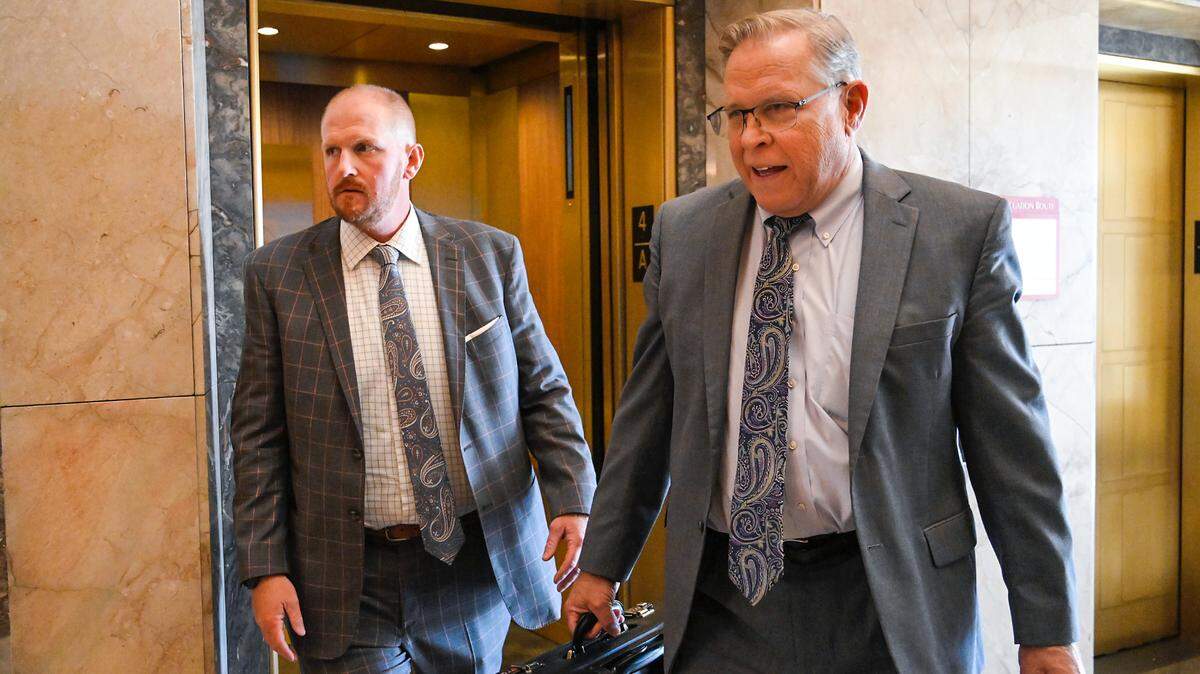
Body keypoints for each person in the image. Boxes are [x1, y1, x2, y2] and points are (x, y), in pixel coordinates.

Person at [564, 9, 1083, 674]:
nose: (751, 139)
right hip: (726, 600)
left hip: (888, 597)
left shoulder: (956, 233)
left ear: (852, 104)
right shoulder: (686, 233)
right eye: (736, 114)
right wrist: (603, 564)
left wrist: (1047, 629)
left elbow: (1014, 454)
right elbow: (649, 417)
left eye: (778, 109)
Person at [232, 84, 597, 673]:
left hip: (471, 564)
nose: (343, 167)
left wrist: (573, 498)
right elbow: (257, 436)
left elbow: (543, 391)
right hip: (345, 573)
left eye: (364, 149)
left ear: (411, 159)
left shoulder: (487, 254)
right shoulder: (278, 274)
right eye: (331, 152)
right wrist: (265, 566)